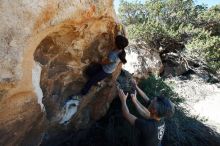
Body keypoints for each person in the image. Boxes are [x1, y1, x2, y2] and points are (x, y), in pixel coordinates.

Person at [68, 35, 129, 101]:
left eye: (115, 41)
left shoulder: (113, 55)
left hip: (105, 71)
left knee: (90, 81)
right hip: (108, 69)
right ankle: (97, 81)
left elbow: (103, 62)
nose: (113, 41)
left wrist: (94, 61)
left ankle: (82, 94)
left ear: (117, 44)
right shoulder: (122, 51)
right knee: (89, 72)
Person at [117, 79, 175, 146]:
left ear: (154, 110)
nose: (151, 101)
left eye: (153, 101)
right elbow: (145, 107)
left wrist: (123, 100)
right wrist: (136, 88)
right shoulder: (160, 118)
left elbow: (126, 114)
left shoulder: (148, 127)